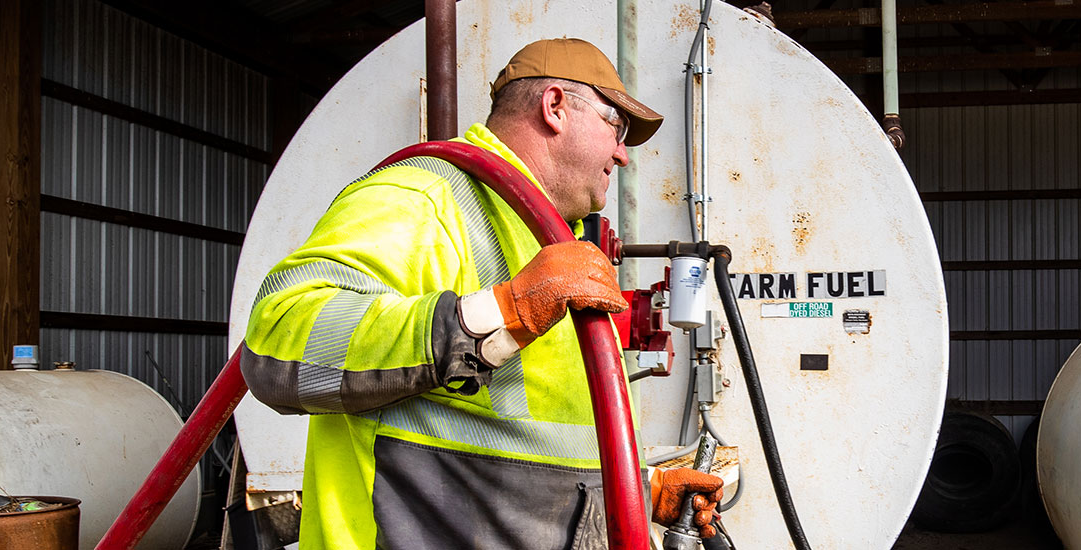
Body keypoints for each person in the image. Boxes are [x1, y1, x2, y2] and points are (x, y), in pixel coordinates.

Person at [242, 38, 724, 550]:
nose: (624, 154)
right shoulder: (427, 197)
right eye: (617, 127)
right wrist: (501, 313)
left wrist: (635, 487)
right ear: (555, 106)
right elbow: (279, 342)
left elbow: (521, 439)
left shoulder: (549, 237)